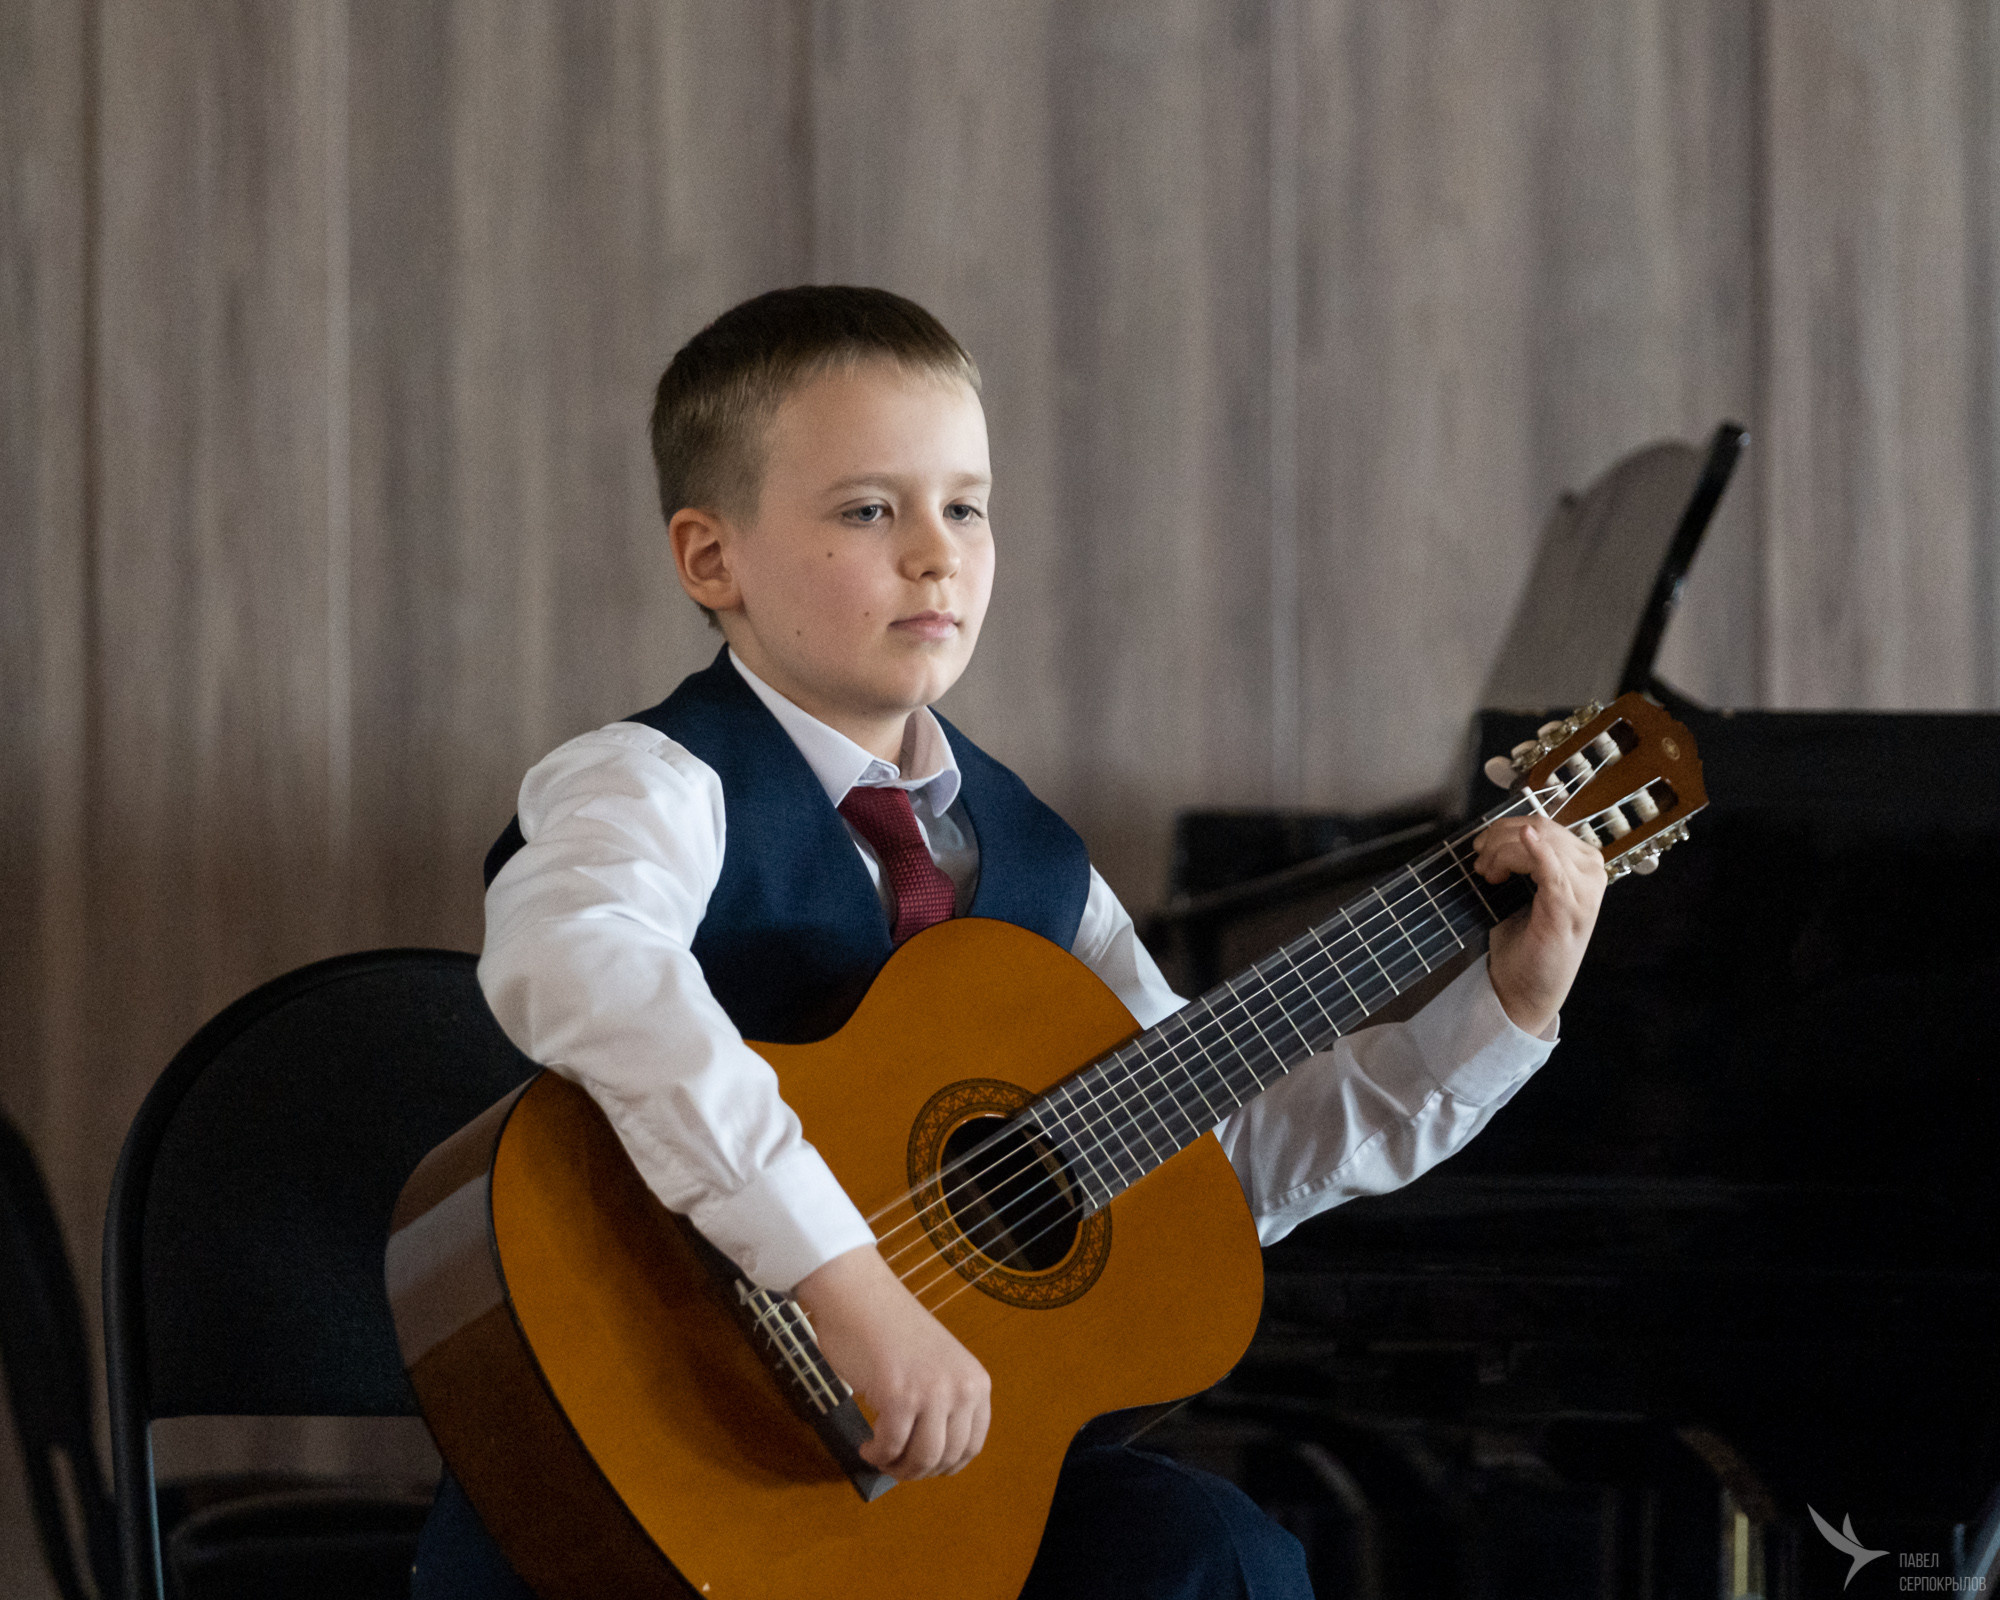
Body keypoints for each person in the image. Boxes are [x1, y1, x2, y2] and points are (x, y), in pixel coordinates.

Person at [411, 285, 1606, 1600]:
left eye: (967, 507)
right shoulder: (648, 781)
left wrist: (1503, 1005)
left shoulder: (1034, 859)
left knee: (1226, 1559)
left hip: (936, 1483)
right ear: (712, 560)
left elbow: (1213, 1161)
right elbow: (578, 960)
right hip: (651, 1456)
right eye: (872, 510)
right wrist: (845, 1284)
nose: (938, 554)